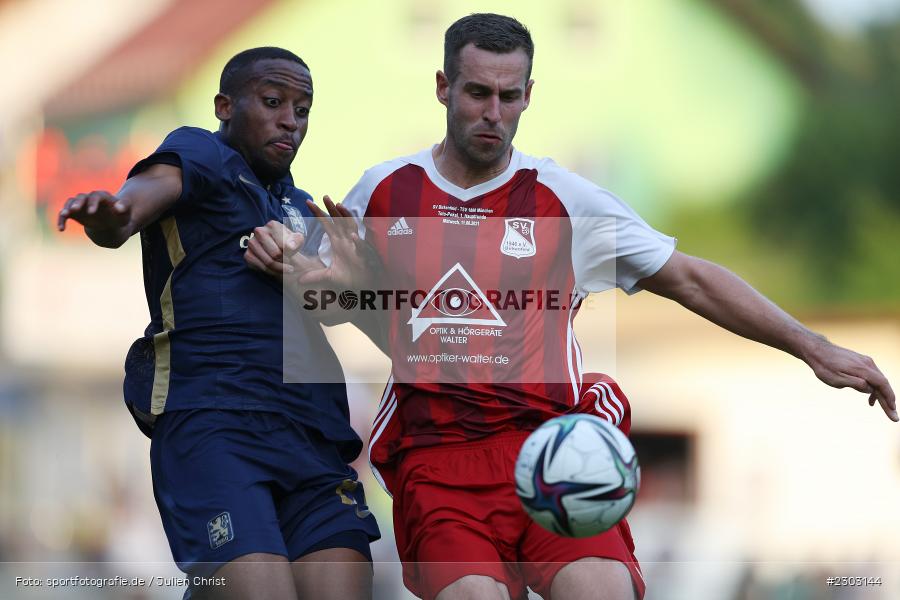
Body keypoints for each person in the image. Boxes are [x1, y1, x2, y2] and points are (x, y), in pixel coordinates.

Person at [245, 15, 897, 600]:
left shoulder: (566, 200)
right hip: (438, 461)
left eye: (508, 96)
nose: (492, 113)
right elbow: (340, 307)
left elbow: (691, 279)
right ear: (443, 87)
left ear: (529, 95)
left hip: (553, 450)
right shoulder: (384, 191)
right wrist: (319, 280)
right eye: (477, 93)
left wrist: (813, 346)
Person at [57, 47, 380, 600]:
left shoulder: (301, 208)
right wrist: (112, 216)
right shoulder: (202, 154)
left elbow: (342, 309)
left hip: (308, 435)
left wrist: (354, 284)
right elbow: (132, 207)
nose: (291, 121)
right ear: (225, 106)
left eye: (303, 109)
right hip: (215, 424)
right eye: (274, 102)